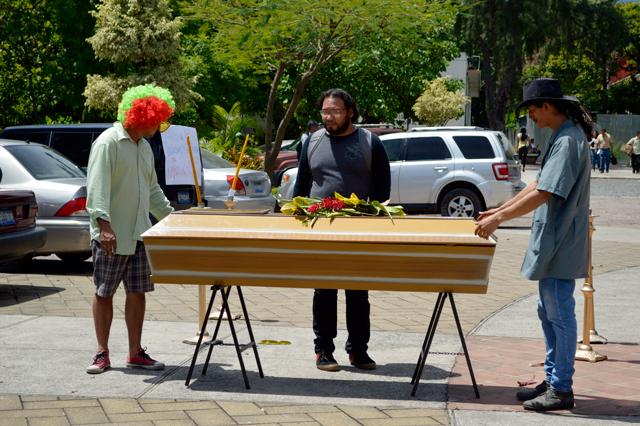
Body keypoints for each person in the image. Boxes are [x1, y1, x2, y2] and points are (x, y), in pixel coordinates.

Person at [475, 78, 592, 411]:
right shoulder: (562, 136)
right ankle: (554, 378)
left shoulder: (568, 141)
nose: (531, 116)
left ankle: (561, 387)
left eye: (532, 108)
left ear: (548, 106)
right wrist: (500, 210)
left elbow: (545, 192)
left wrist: (500, 219)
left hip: (561, 242)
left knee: (559, 313)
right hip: (555, 239)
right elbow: (539, 183)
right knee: (549, 311)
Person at [293, 88, 391, 372]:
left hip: (359, 230)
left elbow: (382, 191)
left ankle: (358, 351)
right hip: (321, 229)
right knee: (324, 289)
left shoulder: (370, 143)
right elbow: (302, 187)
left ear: (350, 112)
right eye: (325, 111)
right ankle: (323, 350)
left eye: (335, 111)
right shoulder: (312, 142)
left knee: (358, 291)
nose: (329, 117)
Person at [85, 84, 175, 374]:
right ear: (141, 116)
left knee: (137, 292)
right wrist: (104, 225)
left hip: (138, 234)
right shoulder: (108, 143)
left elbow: (152, 191)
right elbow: (96, 189)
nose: (158, 127)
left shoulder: (144, 146)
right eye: (156, 121)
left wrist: (173, 218)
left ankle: (135, 352)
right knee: (104, 292)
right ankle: (102, 353)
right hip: (112, 235)